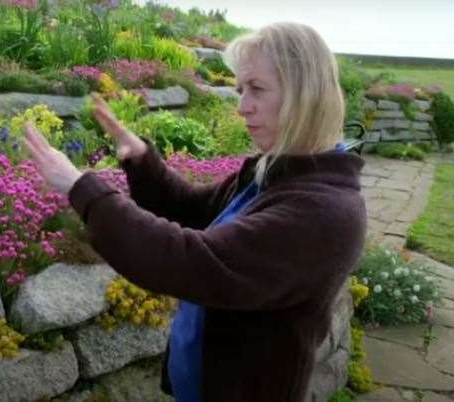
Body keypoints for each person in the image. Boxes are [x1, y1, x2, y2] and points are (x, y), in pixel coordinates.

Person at [22, 22, 366, 402]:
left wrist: (80, 187)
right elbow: (193, 211)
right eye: (239, 89)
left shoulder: (323, 213)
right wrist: (142, 162)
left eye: (257, 89)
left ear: (306, 94)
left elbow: (192, 260)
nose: (241, 106)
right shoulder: (276, 173)